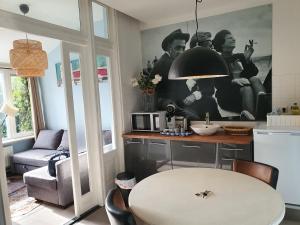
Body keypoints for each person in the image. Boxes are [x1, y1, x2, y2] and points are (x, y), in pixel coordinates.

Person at [212, 29, 266, 120]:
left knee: (255, 79)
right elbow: (218, 83)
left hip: (244, 92)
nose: (234, 39)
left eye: (233, 38)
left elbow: (253, 73)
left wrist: (247, 59)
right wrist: (234, 80)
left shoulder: (240, 56)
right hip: (227, 96)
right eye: (230, 38)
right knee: (246, 88)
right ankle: (250, 121)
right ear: (221, 43)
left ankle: (265, 109)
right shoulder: (217, 60)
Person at [175, 31, 221, 120]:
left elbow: (209, 89)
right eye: (210, 45)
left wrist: (195, 96)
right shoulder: (182, 64)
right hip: (182, 104)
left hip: (202, 103)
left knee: (210, 102)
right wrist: (192, 81)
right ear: (197, 46)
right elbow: (177, 92)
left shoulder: (207, 65)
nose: (213, 48)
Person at [150, 29, 190, 114]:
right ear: (169, 48)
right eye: (178, 48)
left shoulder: (168, 60)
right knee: (195, 117)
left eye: (183, 48)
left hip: (173, 103)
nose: (181, 52)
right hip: (168, 105)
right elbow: (182, 89)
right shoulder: (167, 63)